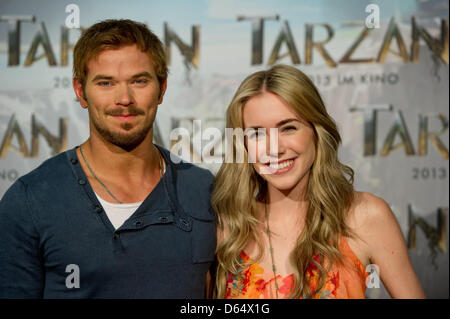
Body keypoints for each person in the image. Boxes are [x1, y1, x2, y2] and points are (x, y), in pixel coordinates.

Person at [0, 19, 216, 298]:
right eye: (105, 82)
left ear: (162, 88)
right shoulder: (30, 200)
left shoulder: (203, 190)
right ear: (80, 91)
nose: (124, 98)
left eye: (139, 81)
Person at [211, 64, 425, 299]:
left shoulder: (365, 217)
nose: (274, 148)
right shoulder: (226, 229)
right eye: (257, 134)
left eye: (289, 128)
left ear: (317, 130)